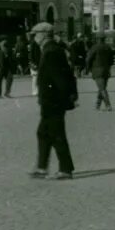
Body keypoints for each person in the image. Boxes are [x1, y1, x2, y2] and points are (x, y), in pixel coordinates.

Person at [29, 22, 78, 180]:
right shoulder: (52, 50)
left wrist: (64, 99)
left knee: (56, 134)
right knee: (43, 133)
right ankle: (42, 167)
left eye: (35, 34)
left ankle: (65, 169)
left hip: (53, 102)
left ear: (44, 34)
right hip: (51, 101)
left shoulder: (51, 52)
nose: (34, 37)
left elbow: (60, 79)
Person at [85, 34, 115, 111]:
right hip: (106, 70)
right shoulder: (108, 47)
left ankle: (108, 105)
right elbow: (112, 61)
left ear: (97, 39)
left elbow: (88, 59)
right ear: (104, 39)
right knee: (102, 87)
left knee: (102, 88)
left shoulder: (94, 47)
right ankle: (97, 104)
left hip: (97, 71)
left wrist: (87, 70)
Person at [27, 32, 42, 96]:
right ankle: (35, 91)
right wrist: (33, 63)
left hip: (36, 62)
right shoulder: (34, 43)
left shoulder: (34, 43)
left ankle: (36, 90)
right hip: (35, 63)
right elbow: (32, 55)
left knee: (36, 77)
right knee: (35, 77)